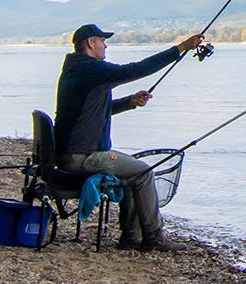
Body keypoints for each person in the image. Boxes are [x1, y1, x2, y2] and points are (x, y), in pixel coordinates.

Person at [53, 23, 204, 252]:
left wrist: (130, 102)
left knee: (132, 172)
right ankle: (155, 237)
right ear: (90, 43)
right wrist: (180, 48)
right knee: (143, 172)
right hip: (81, 156)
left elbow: (96, 110)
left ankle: (131, 237)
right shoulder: (90, 69)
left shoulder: (79, 70)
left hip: (75, 153)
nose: (105, 46)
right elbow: (134, 70)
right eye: (102, 41)